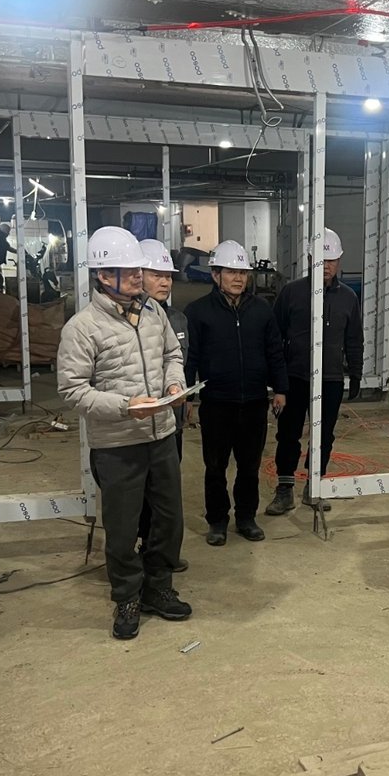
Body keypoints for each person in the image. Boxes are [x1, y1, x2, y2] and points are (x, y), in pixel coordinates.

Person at [57, 226, 190, 640]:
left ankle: (158, 588)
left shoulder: (153, 314)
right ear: (103, 275)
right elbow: (72, 390)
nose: (138, 275)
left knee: (169, 521)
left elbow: (172, 354)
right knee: (121, 528)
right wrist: (125, 406)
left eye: (138, 269)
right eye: (128, 270)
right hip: (118, 446)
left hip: (161, 436)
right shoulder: (82, 328)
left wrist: (174, 384)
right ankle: (127, 597)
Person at [185, 240, 288, 546]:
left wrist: (280, 389)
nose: (238, 278)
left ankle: (246, 518)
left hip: (254, 403)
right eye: (231, 272)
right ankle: (217, 521)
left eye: (242, 272)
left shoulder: (262, 310)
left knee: (249, 467)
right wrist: (187, 397)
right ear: (215, 275)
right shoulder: (198, 312)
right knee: (215, 468)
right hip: (216, 404)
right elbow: (190, 358)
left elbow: (274, 352)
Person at [267, 228, 364, 516]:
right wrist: (277, 380)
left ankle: (315, 486)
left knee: (324, 436)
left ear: (339, 261)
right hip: (296, 377)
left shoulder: (348, 298)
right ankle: (285, 489)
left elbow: (354, 339)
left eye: (332, 260)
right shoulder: (292, 293)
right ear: (311, 259)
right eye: (322, 260)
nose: (328, 266)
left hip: (330, 378)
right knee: (288, 433)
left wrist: (355, 373)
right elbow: (274, 336)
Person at [138, 238, 190, 573]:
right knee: (141, 491)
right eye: (156, 275)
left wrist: (186, 400)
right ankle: (143, 547)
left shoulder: (179, 320)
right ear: (138, 274)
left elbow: (183, 362)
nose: (164, 282)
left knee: (167, 493)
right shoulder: (130, 321)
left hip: (174, 420)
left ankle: (162, 552)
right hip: (141, 424)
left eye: (168, 276)